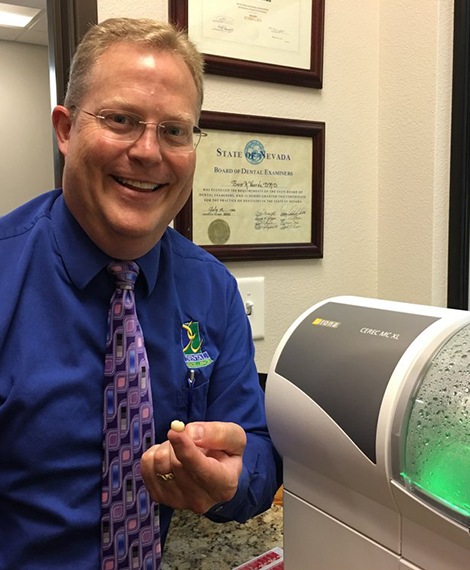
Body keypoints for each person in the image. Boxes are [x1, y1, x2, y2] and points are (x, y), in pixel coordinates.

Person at [0, 17, 282, 569]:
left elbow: (258, 454)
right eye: (121, 119)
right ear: (65, 129)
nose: (149, 152)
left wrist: (229, 480)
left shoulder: (211, 289)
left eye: (175, 130)